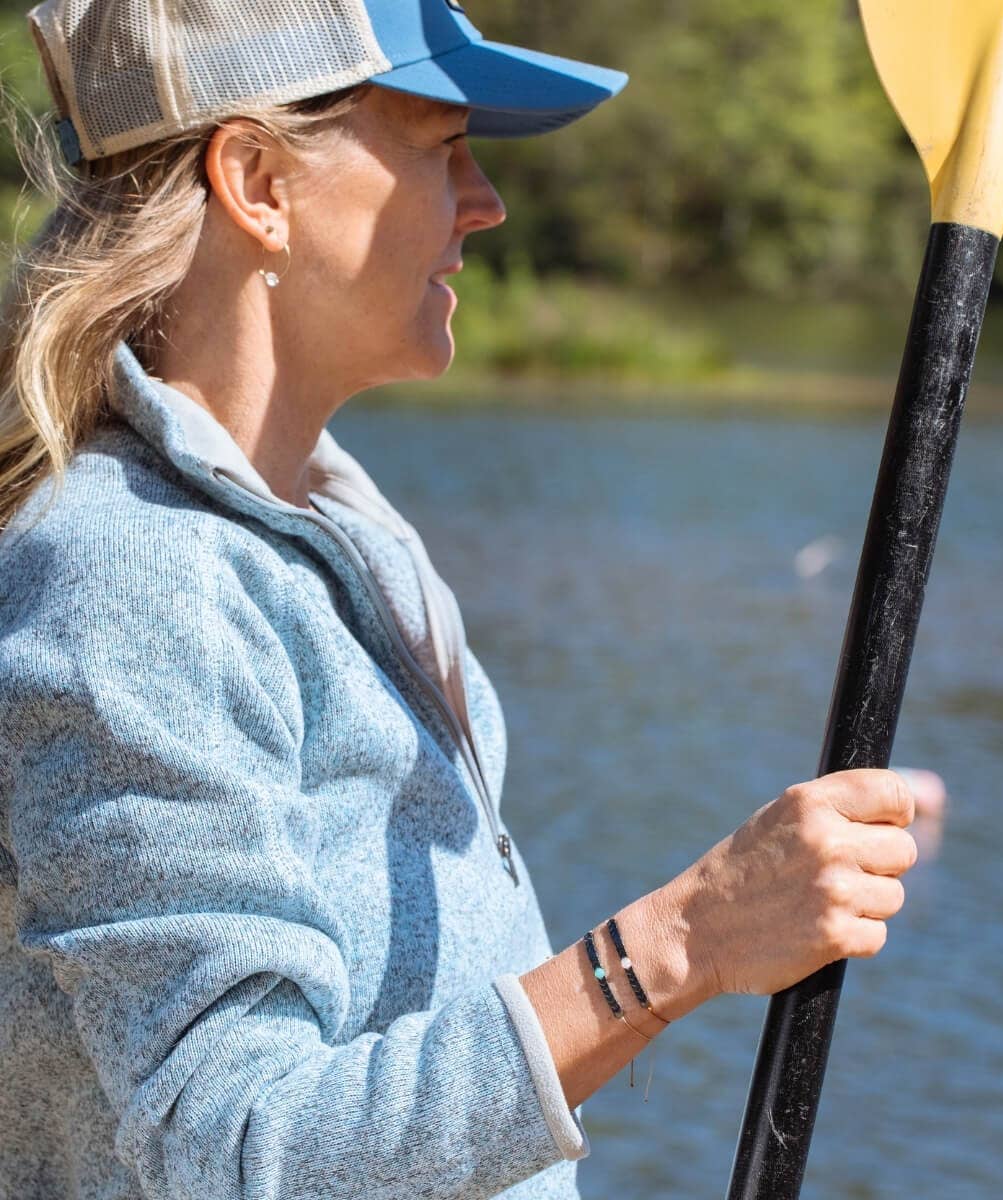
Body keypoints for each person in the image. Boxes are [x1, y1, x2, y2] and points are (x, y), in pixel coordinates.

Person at [0, 2, 919, 1197]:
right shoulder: (131, 584)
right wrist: (682, 942)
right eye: (441, 144)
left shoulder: (348, 527)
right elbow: (237, 1152)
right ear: (258, 181)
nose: (487, 202)